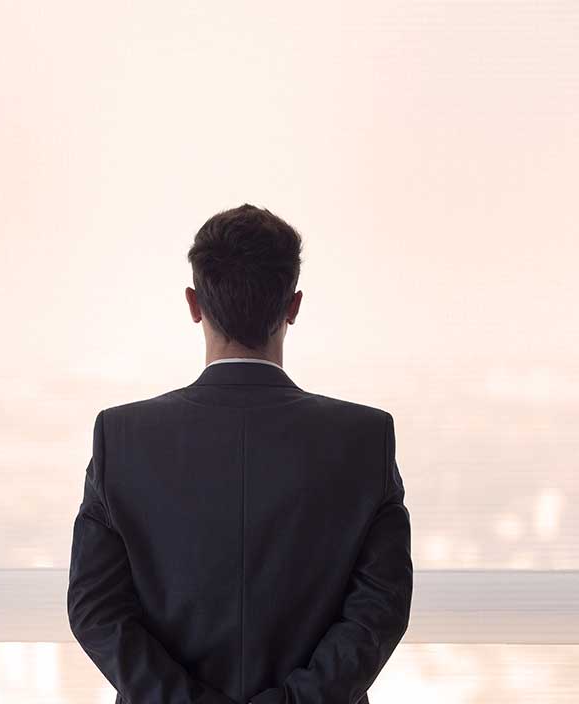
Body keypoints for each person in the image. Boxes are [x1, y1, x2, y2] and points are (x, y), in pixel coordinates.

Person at [67, 203, 413, 704]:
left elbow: (96, 612)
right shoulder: (366, 440)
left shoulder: (120, 438)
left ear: (193, 303)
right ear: (293, 306)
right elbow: (378, 612)